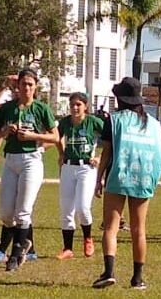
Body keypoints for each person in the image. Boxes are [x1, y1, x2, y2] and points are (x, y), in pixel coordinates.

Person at [93, 77, 161, 290]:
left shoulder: (114, 120)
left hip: (118, 175)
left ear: (120, 99)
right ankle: (138, 278)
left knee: (111, 227)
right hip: (144, 177)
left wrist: (99, 178)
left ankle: (109, 272)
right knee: (138, 229)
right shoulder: (153, 124)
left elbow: (106, 153)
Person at [0, 68, 58, 272]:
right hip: (11, 159)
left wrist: (32, 136)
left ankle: (16, 253)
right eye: (23, 84)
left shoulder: (41, 109)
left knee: (23, 211)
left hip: (31, 159)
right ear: (18, 86)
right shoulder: (8, 108)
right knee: (6, 213)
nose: (26, 88)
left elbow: (55, 137)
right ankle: (23, 242)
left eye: (30, 84)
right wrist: (5, 131)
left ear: (35, 87)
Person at [54, 92, 105, 259]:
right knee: (66, 208)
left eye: (78, 104)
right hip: (68, 167)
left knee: (83, 207)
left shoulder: (93, 122)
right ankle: (67, 248)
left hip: (86, 168)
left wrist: (100, 157)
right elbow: (56, 137)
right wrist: (61, 153)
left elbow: (111, 139)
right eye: (72, 105)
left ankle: (88, 238)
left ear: (85, 106)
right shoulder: (65, 122)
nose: (75, 108)